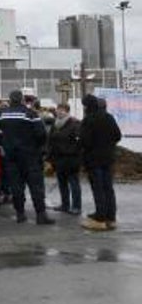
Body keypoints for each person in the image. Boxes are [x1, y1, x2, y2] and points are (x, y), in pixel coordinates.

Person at [0, 89, 55, 225]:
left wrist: (3, 143)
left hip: (11, 156)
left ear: (10, 100)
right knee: (36, 186)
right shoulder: (30, 114)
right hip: (30, 156)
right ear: (21, 99)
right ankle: (40, 215)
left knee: (16, 186)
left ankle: (20, 214)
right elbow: (41, 134)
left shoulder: (1, 114)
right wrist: (36, 148)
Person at [80, 93, 122, 232]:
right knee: (108, 188)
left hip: (93, 160)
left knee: (98, 189)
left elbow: (85, 141)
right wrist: (108, 145)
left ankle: (100, 218)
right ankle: (111, 217)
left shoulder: (88, 120)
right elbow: (117, 135)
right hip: (108, 158)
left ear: (86, 106)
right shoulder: (108, 117)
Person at [47, 103, 81, 215]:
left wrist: (73, 152)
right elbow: (50, 141)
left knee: (73, 183)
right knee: (62, 183)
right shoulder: (55, 124)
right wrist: (49, 157)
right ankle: (65, 204)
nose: (59, 112)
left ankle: (76, 206)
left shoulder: (74, 124)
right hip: (58, 159)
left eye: (62, 110)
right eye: (58, 109)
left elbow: (79, 142)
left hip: (71, 159)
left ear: (67, 111)